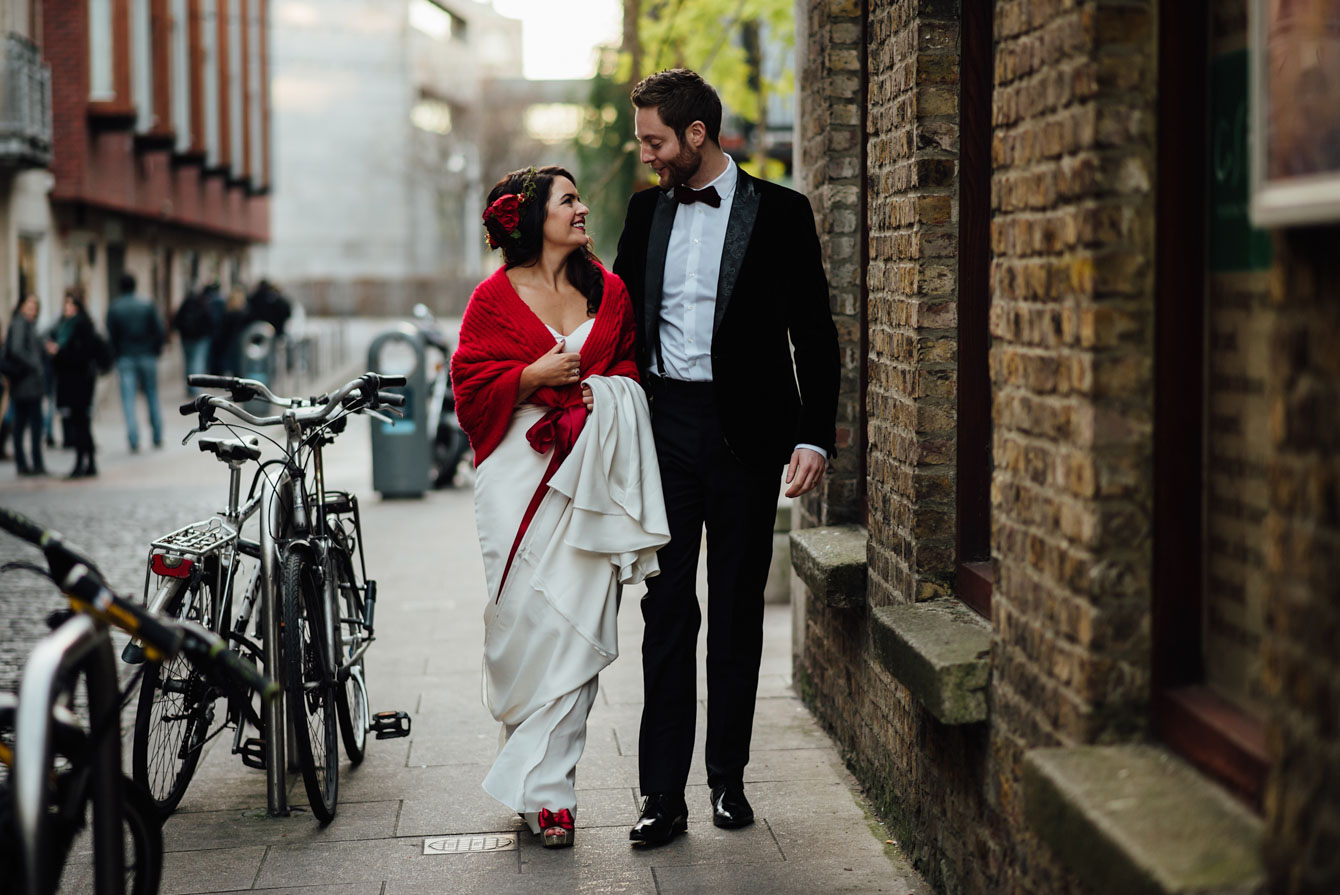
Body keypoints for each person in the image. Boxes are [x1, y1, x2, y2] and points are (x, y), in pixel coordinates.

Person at [613, 69, 840, 845]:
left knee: (738, 610)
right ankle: (661, 797)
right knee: (667, 609)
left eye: (653, 140)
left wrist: (816, 432)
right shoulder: (645, 214)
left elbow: (815, 330)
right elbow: (618, 322)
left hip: (747, 436)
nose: (644, 153)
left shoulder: (781, 212)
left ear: (696, 136)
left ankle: (728, 780)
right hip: (664, 429)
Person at [451, 166, 669, 850]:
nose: (581, 209)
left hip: (592, 477)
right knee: (526, 624)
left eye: (578, 198)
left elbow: (630, 369)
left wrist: (603, 398)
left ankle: (551, 795)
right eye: (567, 200)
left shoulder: (610, 290)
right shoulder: (490, 299)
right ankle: (528, 759)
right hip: (516, 471)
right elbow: (467, 385)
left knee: (577, 629)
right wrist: (528, 378)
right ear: (531, 217)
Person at [106, 272, 165, 452]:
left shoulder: (115, 307)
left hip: (125, 356)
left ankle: (133, 438)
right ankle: (157, 435)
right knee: (152, 395)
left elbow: (111, 334)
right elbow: (159, 330)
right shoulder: (146, 304)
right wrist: (155, 350)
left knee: (128, 399)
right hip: (146, 355)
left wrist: (116, 353)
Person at [47, 290, 101, 478]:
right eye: (66, 305)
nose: (67, 308)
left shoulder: (80, 326)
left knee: (81, 423)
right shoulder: (65, 326)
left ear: (78, 308)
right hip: (72, 381)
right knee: (80, 422)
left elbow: (80, 356)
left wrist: (57, 353)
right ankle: (88, 462)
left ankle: (84, 462)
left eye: (71, 305)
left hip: (80, 382)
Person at [4, 294, 47, 475]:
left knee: (24, 423)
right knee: (30, 423)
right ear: (21, 306)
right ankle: (31, 463)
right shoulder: (20, 324)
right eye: (29, 305)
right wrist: (35, 364)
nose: (32, 309)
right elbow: (16, 349)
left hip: (27, 382)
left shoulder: (29, 325)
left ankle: (28, 463)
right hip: (26, 383)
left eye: (35, 306)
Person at [173, 285, 213, 393]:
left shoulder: (185, 305)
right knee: (197, 362)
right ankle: (195, 387)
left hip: (186, 338)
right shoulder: (202, 305)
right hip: (200, 339)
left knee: (188, 363)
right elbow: (209, 322)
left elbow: (176, 320)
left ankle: (190, 385)